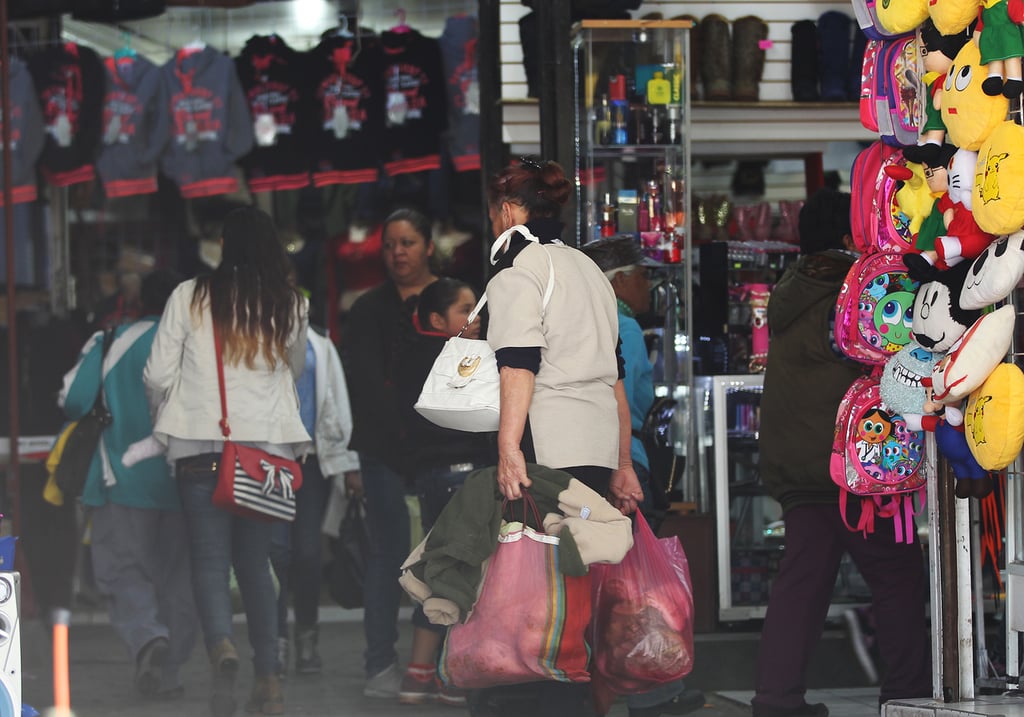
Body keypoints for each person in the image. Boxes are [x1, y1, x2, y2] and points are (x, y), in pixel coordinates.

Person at [751, 188, 931, 717]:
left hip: (799, 467)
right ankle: (907, 694)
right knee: (896, 578)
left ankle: (776, 699)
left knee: (800, 588)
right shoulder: (861, 290)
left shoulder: (789, 290)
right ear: (856, 229)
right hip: (856, 466)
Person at [484, 157, 644, 717]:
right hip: (596, 451)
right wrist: (623, 462)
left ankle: (550, 696)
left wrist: (508, 450)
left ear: (506, 210)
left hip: (546, 451)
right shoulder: (588, 270)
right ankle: (576, 693)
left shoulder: (518, 271)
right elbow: (616, 378)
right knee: (578, 583)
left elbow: (518, 366)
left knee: (536, 588)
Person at [144, 207, 311, 717]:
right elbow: (295, 368)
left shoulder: (189, 296)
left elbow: (155, 375)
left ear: (222, 245)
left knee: (210, 563)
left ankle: (222, 645)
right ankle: (271, 679)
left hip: (201, 451)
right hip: (265, 457)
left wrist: (173, 416)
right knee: (257, 566)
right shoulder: (290, 305)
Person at [59, 268, 198, 702]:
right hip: (187, 480)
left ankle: (147, 638)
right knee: (180, 579)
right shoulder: (200, 344)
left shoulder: (113, 340)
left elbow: (73, 400)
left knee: (123, 569)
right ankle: (169, 672)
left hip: (123, 478)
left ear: (138, 301)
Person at [581, 236, 706, 717]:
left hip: (585, 464)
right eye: (642, 275)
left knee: (600, 584)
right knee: (634, 590)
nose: (648, 285)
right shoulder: (624, 325)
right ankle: (648, 689)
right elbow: (630, 402)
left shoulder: (578, 319)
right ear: (621, 280)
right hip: (624, 466)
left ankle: (603, 691)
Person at [340, 207, 438, 698]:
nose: (398, 253)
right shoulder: (367, 308)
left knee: (444, 554)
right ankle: (379, 662)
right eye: (390, 245)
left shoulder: (453, 298)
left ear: (429, 247)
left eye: (408, 243)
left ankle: (437, 661)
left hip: (443, 445)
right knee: (387, 553)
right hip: (382, 444)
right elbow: (361, 382)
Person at [394, 277, 493, 706]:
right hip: (464, 475)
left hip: (432, 477)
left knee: (439, 566)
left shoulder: (411, 356)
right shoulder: (461, 356)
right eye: (465, 308)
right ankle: (453, 670)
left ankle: (419, 672)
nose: (476, 317)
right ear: (438, 319)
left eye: (477, 307)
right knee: (462, 571)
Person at [269, 324, 361, 677]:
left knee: (307, 554)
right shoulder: (257, 335)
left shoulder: (320, 343)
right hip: (269, 461)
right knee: (276, 554)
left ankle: (306, 635)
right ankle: (274, 640)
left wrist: (347, 463)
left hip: (310, 464)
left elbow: (337, 401)